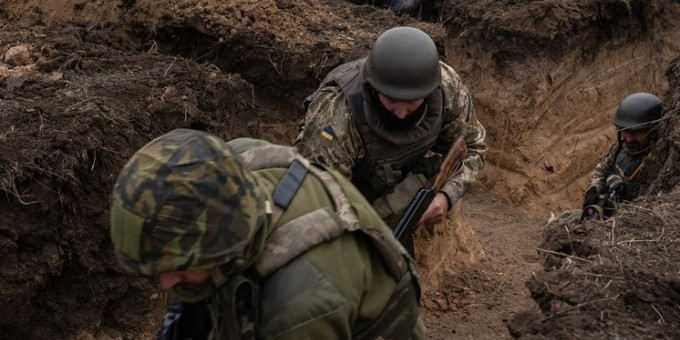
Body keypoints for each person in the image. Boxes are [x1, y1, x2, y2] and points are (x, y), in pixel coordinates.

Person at [109, 128, 425, 340]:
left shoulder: (298, 308)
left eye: (177, 265)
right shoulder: (234, 167)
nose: (165, 282)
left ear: (225, 245)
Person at [295, 26, 487, 233]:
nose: (402, 113)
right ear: (373, 88)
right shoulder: (336, 116)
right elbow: (316, 204)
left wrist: (447, 195)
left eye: (412, 102)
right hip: (346, 197)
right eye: (392, 100)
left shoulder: (447, 87)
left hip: (397, 180)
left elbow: (473, 148)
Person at [581, 92, 663, 220]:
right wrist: (594, 189)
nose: (629, 139)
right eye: (625, 131)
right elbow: (601, 169)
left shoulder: (656, 161)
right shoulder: (620, 148)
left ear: (652, 131)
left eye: (636, 132)